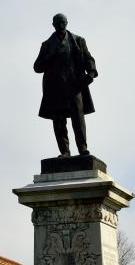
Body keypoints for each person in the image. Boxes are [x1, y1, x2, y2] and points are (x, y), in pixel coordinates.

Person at [34, 13, 98, 157]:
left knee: (78, 118)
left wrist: (91, 73)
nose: (61, 25)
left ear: (67, 23)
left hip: (74, 86)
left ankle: (82, 148)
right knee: (58, 121)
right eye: (58, 22)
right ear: (53, 25)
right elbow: (37, 67)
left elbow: (88, 59)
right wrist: (50, 56)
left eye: (63, 22)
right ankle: (64, 151)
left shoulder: (78, 41)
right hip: (55, 88)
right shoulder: (47, 45)